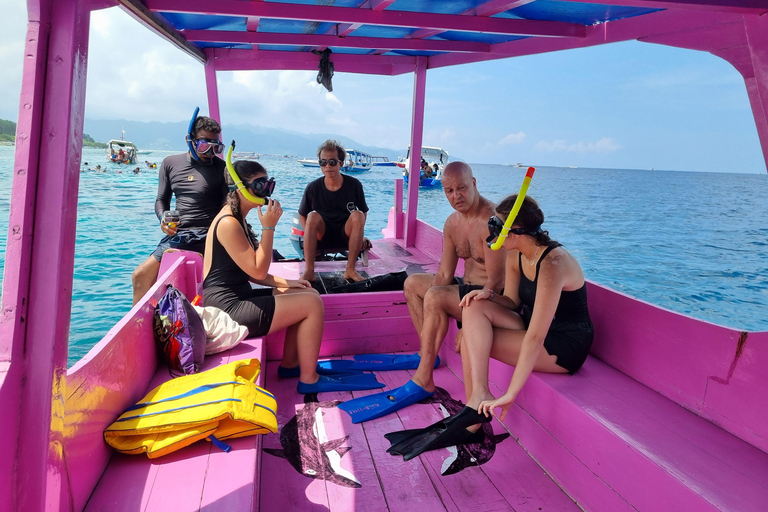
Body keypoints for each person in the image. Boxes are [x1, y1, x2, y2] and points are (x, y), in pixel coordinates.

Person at [337, 162, 505, 423]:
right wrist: (436, 302)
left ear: (474, 183)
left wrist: (468, 325)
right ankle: (428, 352)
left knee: (436, 296)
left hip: (489, 298)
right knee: (414, 283)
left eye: (461, 188)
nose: (455, 196)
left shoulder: (491, 221)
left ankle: (424, 377)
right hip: (465, 289)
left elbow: (498, 281)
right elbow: (444, 275)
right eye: (449, 190)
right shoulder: (452, 223)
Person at [203, 160, 383, 394]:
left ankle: (290, 364)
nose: (266, 193)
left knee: (304, 292)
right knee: (312, 303)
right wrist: (269, 228)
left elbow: (252, 272)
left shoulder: (237, 219)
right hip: (227, 310)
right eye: (260, 186)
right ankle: (309, 379)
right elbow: (257, 271)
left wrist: (289, 283)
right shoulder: (228, 223)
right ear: (239, 188)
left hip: (238, 298)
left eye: (269, 185)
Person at [459, 194, 593, 425]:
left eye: (497, 225)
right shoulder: (516, 254)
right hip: (531, 325)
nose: (493, 231)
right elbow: (511, 301)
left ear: (516, 229)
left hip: (563, 343)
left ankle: (472, 423)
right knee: (473, 307)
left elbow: (536, 337)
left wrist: (510, 394)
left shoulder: (553, 264)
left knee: (469, 341)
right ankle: (477, 399)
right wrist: (488, 295)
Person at [131, 114, 228, 305]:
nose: (210, 152)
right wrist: (163, 219)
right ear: (189, 140)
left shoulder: (222, 168)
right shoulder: (170, 164)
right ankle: (140, 328)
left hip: (210, 237)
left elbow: (228, 207)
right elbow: (161, 200)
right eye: (204, 145)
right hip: (179, 236)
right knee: (140, 276)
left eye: (216, 147)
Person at [298, 139, 369, 283]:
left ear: (341, 164)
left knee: (358, 214)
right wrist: (310, 236)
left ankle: (350, 270)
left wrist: (359, 235)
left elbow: (363, 212)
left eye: (332, 162)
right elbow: (302, 214)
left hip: (345, 233)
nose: (327, 166)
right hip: (322, 234)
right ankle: (309, 271)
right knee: (312, 216)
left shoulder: (354, 185)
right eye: (323, 162)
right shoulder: (313, 188)